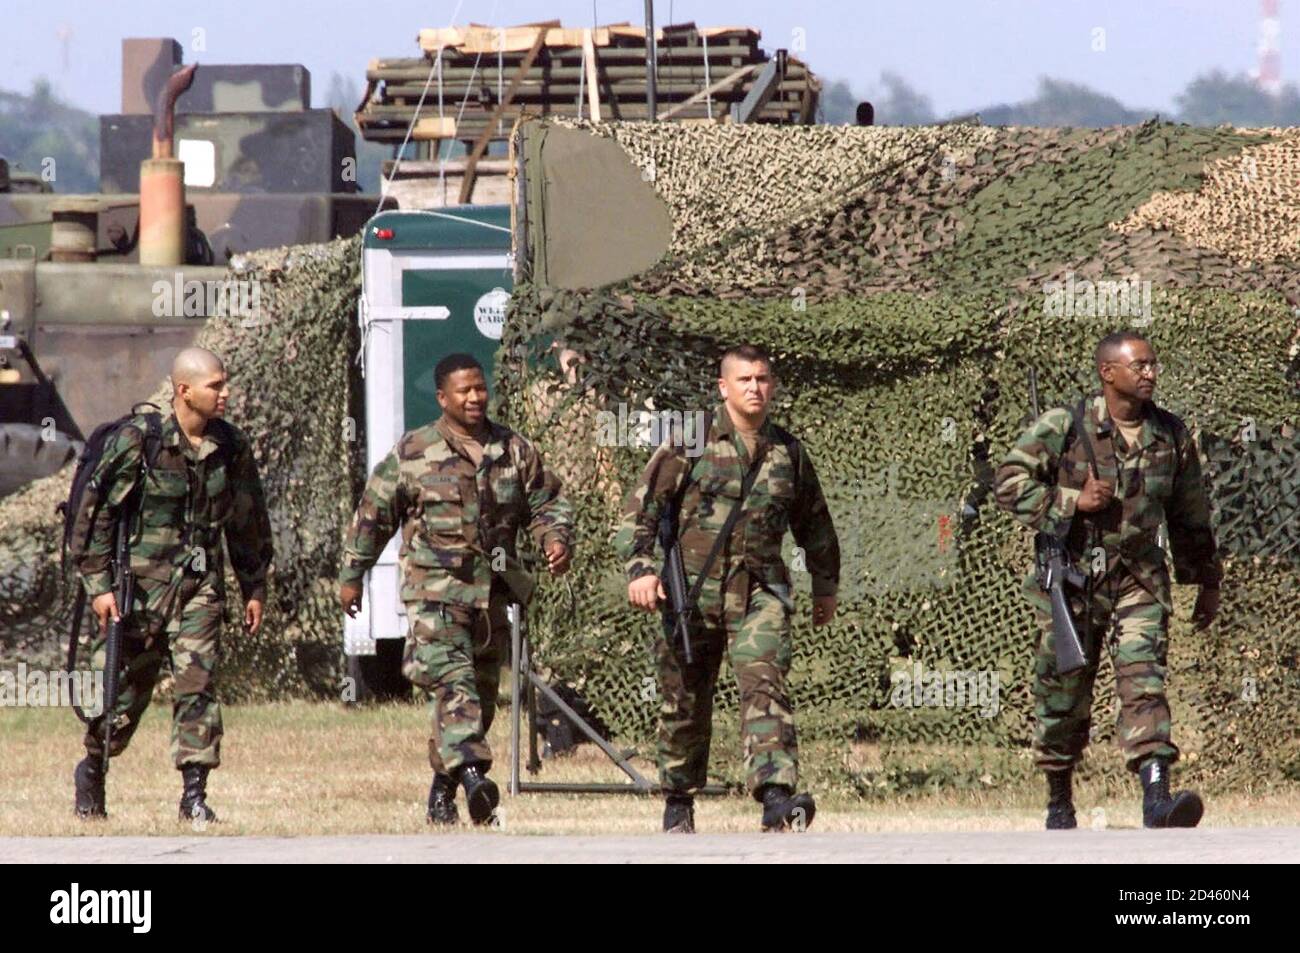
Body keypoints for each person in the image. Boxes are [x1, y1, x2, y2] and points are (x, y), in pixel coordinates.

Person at [994, 331, 1221, 830]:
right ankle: (1059, 798)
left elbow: (1190, 515)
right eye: (1138, 366)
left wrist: (1205, 581)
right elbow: (1008, 482)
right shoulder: (1064, 425)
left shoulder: (1171, 434)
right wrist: (1071, 501)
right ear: (1107, 373)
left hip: (1139, 577)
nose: (1149, 373)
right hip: (1073, 579)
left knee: (1144, 679)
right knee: (1063, 694)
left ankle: (1157, 796)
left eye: (1152, 365)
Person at [339, 353, 573, 825]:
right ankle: (473, 778)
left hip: (492, 594)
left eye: (480, 389)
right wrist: (351, 575)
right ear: (442, 397)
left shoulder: (513, 449)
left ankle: (441, 794)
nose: (474, 398)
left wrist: (554, 537)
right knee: (454, 684)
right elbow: (372, 516)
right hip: (434, 593)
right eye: (463, 391)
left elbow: (549, 500)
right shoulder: (414, 452)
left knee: (478, 702)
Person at [614, 344, 840, 833]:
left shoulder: (788, 451)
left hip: (760, 590)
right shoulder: (690, 442)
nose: (755, 388)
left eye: (763, 379)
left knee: (765, 681)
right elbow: (640, 513)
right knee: (685, 700)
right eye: (745, 380)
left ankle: (776, 796)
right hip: (690, 595)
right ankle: (678, 798)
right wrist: (640, 571)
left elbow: (814, 522)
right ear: (723, 387)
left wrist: (826, 585)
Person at [74, 346, 272, 822]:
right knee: (121, 697)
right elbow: (94, 517)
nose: (225, 394)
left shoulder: (232, 447)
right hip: (135, 594)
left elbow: (247, 522)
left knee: (197, 686)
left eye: (225, 384)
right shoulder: (138, 442)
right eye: (216, 385)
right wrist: (99, 586)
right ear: (184, 390)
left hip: (198, 590)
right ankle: (94, 769)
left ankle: (194, 795)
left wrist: (254, 586)